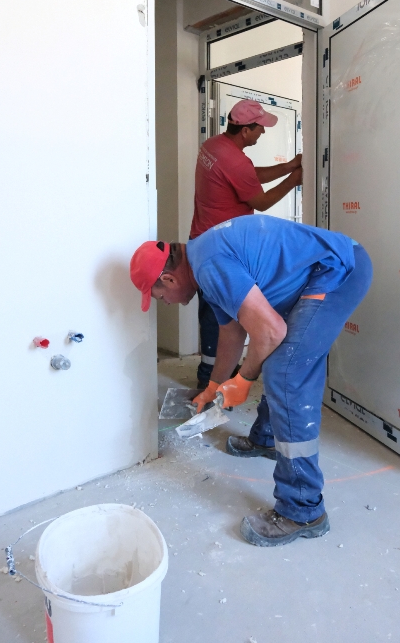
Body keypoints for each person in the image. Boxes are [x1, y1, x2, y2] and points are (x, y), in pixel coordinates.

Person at [130, 215, 373, 547]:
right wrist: (213, 388)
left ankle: (303, 509)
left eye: (160, 297)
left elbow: (270, 332)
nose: (167, 303)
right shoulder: (203, 262)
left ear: (169, 279)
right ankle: (267, 439)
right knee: (276, 355)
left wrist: (244, 378)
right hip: (321, 270)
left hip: (338, 269)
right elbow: (232, 334)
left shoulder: (209, 266)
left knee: (285, 371)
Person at [190, 98, 302, 390]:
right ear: (245, 130)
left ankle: (214, 370)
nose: (263, 132)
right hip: (221, 249)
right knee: (220, 316)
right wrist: (294, 180)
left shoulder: (215, 146)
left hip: (204, 239)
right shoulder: (234, 160)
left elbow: (249, 177)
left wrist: (289, 166)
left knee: (216, 312)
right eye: (260, 128)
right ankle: (210, 377)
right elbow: (261, 201)